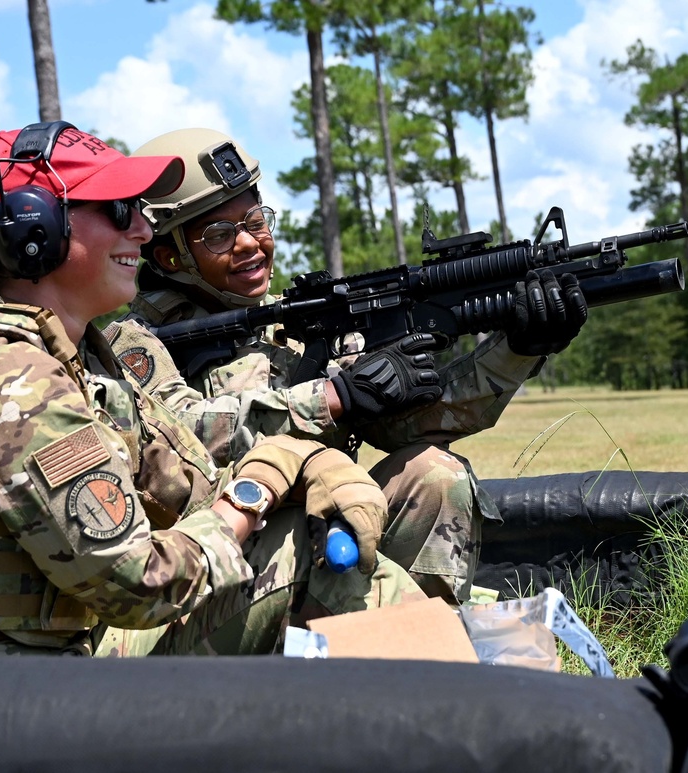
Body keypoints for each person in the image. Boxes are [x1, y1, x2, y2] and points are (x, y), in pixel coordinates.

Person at [0, 120, 425, 657]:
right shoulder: (8, 383)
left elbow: (185, 482)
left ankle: (415, 689)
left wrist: (298, 460)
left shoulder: (72, 359)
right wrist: (256, 490)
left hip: (28, 671)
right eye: (117, 209)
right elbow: (142, 585)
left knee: (317, 530)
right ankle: (441, 703)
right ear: (38, 229)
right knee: (292, 555)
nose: (143, 227)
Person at [107, 127, 589, 605]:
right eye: (218, 235)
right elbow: (183, 433)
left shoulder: (290, 326)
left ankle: (435, 654)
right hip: (212, 564)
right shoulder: (131, 345)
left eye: (256, 220)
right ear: (170, 255)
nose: (251, 244)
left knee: (433, 473)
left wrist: (519, 350)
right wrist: (335, 398)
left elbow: (411, 423)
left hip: (326, 531)